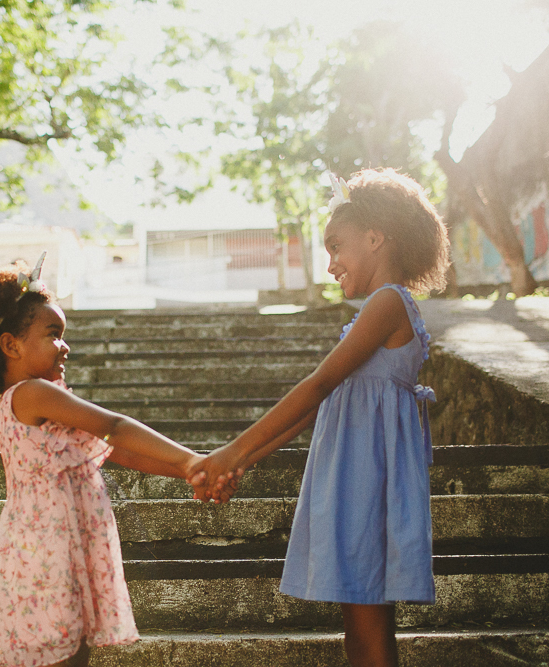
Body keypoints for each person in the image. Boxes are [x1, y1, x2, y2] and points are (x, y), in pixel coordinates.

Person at [190, 168, 450, 667]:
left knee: (369, 618)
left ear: (375, 238)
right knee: (358, 617)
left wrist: (232, 449)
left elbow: (317, 386)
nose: (330, 264)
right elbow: (313, 410)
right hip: (353, 475)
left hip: (367, 477)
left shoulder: (389, 302)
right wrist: (240, 462)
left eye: (336, 246)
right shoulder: (377, 308)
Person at [0, 255, 208, 667]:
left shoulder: (32, 399)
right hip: (47, 549)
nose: (64, 345)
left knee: (68, 653)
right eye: (53, 333)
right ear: (11, 345)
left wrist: (190, 471)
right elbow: (115, 427)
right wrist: (193, 460)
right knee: (61, 655)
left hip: (53, 545)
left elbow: (116, 451)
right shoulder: (33, 394)